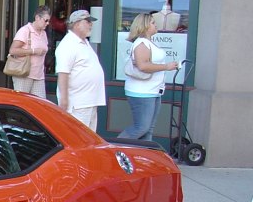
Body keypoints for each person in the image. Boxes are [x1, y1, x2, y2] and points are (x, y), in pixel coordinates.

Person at [118, 12, 180, 140]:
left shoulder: (148, 42)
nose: (155, 25)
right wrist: (166, 67)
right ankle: (113, 149)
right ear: (144, 26)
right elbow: (143, 66)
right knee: (141, 128)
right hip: (142, 92)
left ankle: (144, 159)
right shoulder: (141, 43)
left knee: (148, 130)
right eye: (152, 22)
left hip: (153, 91)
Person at [55, 9, 106, 131]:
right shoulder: (68, 44)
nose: (91, 24)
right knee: (79, 137)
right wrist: (64, 100)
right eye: (87, 21)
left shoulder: (84, 42)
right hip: (78, 104)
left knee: (89, 138)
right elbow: (63, 73)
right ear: (77, 24)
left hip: (89, 101)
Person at [9, 5, 51, 98]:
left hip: (39, 75)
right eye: (46, 20)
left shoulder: (43, 33)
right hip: (24, 74)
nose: (47, 23)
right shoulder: (25, 31)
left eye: (49, 21)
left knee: (40, 105)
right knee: (22, 103)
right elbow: (13, 50)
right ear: (37, 18)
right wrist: (33, 51)